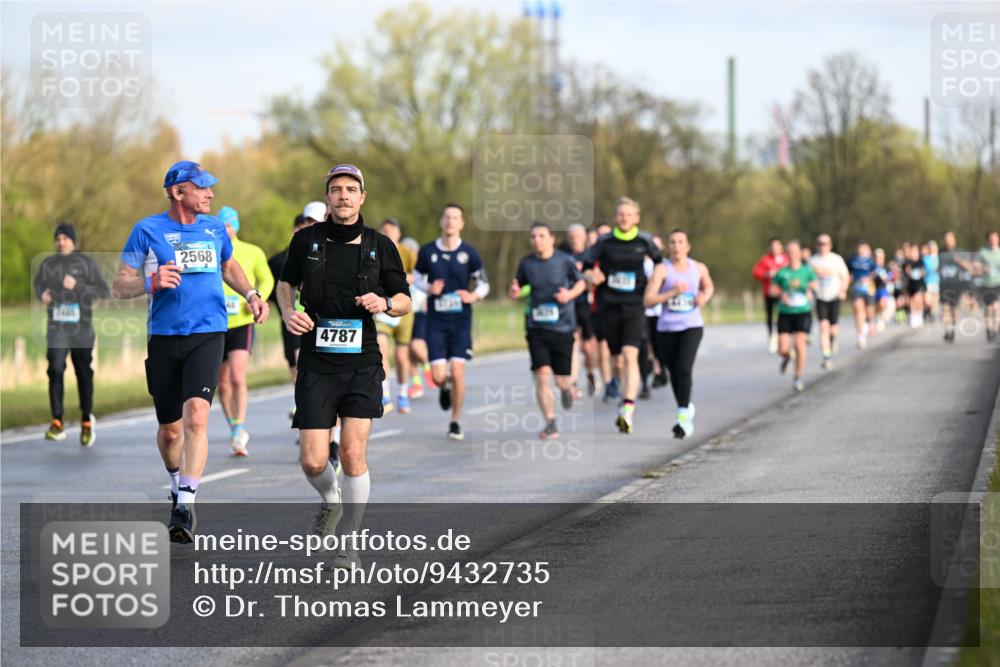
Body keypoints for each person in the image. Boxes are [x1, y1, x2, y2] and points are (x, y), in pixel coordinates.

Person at [112, 161, 268, 543]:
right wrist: (150, 282)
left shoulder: (215, 228)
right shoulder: (147, 230)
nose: (210, 194)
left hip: (209, 333)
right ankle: (174, 481)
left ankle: (185, 503)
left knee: (197, 416)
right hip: (164, 336)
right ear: (178, 192)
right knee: (170, 431)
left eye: (210, 188)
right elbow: (119, 285)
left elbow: (228, 264)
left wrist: (250, 294)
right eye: (202, 188)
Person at [276, 164, 411, 569]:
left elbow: (404, 299)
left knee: (352, 452)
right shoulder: (306, 241)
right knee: (314, 461)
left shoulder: (380, 245)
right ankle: (331, 501)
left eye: (352, 189)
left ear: (362, 197)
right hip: (316, 357)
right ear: (328, 197)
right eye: (336, 190)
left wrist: (384, 303)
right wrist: (287, 312)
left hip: (363, 358)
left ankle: (349, 541)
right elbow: (285, 284)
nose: (344, 196)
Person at [583, 197, 662, 434]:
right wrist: (591, 277)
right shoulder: (604, 242)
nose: (624, 218)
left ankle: (628, 406)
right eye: (620, 214)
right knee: (617, 360)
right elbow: (586, 266)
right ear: (616, 217)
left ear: (636, 217)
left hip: (635, 305)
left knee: (630, 354)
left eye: (629, 214)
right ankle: (623, 397)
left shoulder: (645, 241)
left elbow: (660, 264)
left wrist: (653, 287)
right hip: (609, 306)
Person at [414, 203, 489, 441]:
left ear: (461, 223)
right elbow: (415, 278)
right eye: (447, 217)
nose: (450, 222)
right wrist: (428, 287)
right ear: (441, 221)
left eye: (455, 218)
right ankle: (443, 387)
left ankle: (455, 421)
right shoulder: (427, 252)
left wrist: (473, 295)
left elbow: (484, 283)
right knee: (438, 377)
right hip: (435, 321)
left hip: (460, 321)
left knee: (457, 372)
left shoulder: (470, 253)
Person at [34, 223, 110, 445]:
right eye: (58, 238)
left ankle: (86, 420)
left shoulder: (86, 263)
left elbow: (102, 291)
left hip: (82, 328)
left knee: (83, 373)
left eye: (65, 238)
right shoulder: (48, 264)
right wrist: (42, 295)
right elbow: (39, 285)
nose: (61, 242)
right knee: (55, 368)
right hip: (57, 327)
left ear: (73, 240)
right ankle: (57, 421)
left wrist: (77, 286)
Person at [510, 222, 586, 439]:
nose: (537, 240)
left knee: (562, 380)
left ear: (552, 238)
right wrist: (514, 291)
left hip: (562, 327)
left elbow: (580, 283)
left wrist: (569, 295)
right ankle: (551, 422)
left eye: (542, 236)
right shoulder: (526, 263)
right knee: (542, 375)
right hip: (537, 328)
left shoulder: (565, 260)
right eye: (533, 236)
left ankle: (567, 388)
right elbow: (519, 286)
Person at [644, 229, 714, 439]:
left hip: (691, 326)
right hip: (666, 328)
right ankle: (684, 407)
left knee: (684, 368)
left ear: (687, 246)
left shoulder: (698, 268)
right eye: (672, 242)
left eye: (680, 242)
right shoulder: (661, 270)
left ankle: (683, 416)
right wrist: (671, 293)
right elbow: (648, 300)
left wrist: (704, 297)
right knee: (674, 371)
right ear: (668, 246)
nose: (676, 246)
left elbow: (709, 287)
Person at [216, 206, 274, 456]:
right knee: (222, 382)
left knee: (238, 376)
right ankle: (234, 427)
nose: (226, 230)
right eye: (222, 226)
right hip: (216, 323)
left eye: (229, 225)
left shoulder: (252, 251)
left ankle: (240, 427)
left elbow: (268, 279)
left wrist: (256, 298)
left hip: (241, 322)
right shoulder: (211, 250)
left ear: (236, 226)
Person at [268, 208, 322, 421]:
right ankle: (305, 406)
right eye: (303, 225)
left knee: (314, 370)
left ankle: (318, 420)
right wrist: (285, 310)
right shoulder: (279, 260)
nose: (306, 229)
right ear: (294, 229)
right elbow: (274, 291)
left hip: (321, 321)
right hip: (293, 320)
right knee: (297, 367)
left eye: (311, 223)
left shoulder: (332, 251)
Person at [375, 218, 417, 414]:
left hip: (402, 308)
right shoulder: (373, 248)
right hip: (382, 306)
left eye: (391, 231)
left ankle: (402, 392)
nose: (388, 234)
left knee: (401, 356)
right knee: (381, 349)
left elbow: (416, 276)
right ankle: (385, 394)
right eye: (384, 231)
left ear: (399, 234)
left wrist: (397, 277)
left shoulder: (406, 252)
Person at [559, 223, 601, 397]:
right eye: (572, 236)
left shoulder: (591, 255)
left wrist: (587, 279)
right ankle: (573, 384)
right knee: (573, 343)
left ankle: (591, 372)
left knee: (588, 347)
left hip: (586, 304)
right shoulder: (563, 255)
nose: (575, 239)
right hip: (568, 304)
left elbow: (597, 277)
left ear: (585, 237)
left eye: (578, 236)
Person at [774, 240, 817, 392]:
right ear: (787, 254)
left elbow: (814, 284)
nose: (793, 255)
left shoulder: (807, 271)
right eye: (789, 252)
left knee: (800, 344)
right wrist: (781, 295)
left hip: (802, 312)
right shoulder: (782, 272)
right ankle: (787, 357)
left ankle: (797, 377)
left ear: (800, 253)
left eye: (795, 252)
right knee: (782, 348)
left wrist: (811, 290)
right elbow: (774, 289)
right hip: (785, 313)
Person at [808, 234, 849, 368]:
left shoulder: (836, 259)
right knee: (823, 327)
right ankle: (826, 357)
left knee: (833, 330)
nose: (822, 246)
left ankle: (832, 341)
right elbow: (807, 279)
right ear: (817, 245)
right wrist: (809, 290)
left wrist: (843, 290)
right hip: (820, 297)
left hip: (834, 296)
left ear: (830, 245)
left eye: (825, 243)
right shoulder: (812, 261)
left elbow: (845, 277)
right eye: (820, 243)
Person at [751, 237, 789, 353]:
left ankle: (780, 337)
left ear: (781, 247)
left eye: (777, 246)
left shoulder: (786, 259)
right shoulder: (765, 259)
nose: (775, 248)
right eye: (773, 247)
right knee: (770, 315)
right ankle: (771, 336)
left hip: (782, 293)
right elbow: (756, 272)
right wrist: (766, 274)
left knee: (782, 315)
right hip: (769, 292)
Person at [846, 241, 877, 354]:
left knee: (869, 311)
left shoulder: (870, 261)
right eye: (860, 248)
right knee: (858, 309)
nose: (862, 251)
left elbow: (875, 272)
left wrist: (869, 278)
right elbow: (848, 272)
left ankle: (870, 322)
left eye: (864, 248)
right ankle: (861, 338)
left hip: (869, 288)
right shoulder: (852, 260)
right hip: (857, 288)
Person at [979, 230, 1000, 342]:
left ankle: (995, 330)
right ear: (987, 240)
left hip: (998, 283)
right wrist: (983, 268)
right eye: (991, 238)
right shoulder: (982, 252)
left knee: (996, 307)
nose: (993, 240)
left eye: (995, 238)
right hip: (986, 283)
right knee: (988, 308)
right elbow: (975, 266)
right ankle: (988, 329)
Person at [903, 243, 927, 329]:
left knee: (919, 300)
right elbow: (905, 272)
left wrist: (922, 273)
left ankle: (919, 316)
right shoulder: (907, 262)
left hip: (919, 283)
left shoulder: (920, 261)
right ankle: (913, 317)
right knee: (912, 300)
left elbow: (923, 271)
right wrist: (908, 270)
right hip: (911, 284)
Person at [923, 241, 940, 323]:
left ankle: (931, 315)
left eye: (934, 248)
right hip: (928, 281)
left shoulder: (940, 258)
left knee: (935, 300)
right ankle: (926, 311)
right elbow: (927, 269)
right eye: (931, 248)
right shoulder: (926, 258)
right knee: (928, 300)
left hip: (937, 281)